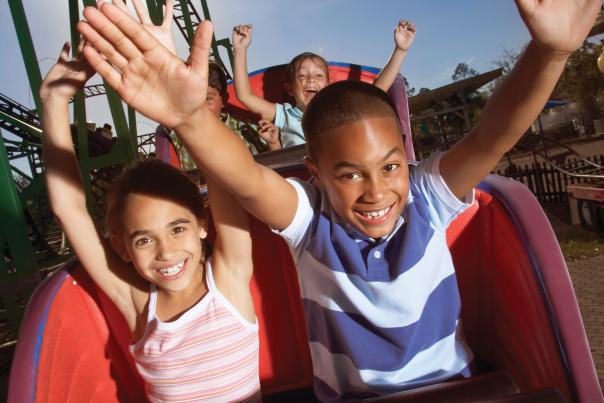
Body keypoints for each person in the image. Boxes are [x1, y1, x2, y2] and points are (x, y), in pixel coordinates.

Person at [77, 0, 601, 400]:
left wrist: (551, 52)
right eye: (350, 175)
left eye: (390, 166)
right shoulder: (310, 223)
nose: (377, 192)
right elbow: (247, 177)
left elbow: (492, 136)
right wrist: (192, 119)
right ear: (316, 174)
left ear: (405, 158)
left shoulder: (427, 198)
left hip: (452, 391)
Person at [40, 39, 261, 402]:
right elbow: (70, 210)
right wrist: (53, 102)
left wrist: (189, 114)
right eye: (144, 239)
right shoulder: (138, 303)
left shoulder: (229, 278)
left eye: (177, 228)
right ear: (122, 248)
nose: (166, 251)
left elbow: (223, 175)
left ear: (202, 224)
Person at [230, 20, 416, 148]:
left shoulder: (337, 110)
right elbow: (244, 96)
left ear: (327, 85)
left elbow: (375, 92)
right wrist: (239, 50)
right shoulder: (284, 114)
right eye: (302, 76)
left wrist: (400, 50)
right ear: (290, 89)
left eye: (318, 75)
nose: (311, 79)